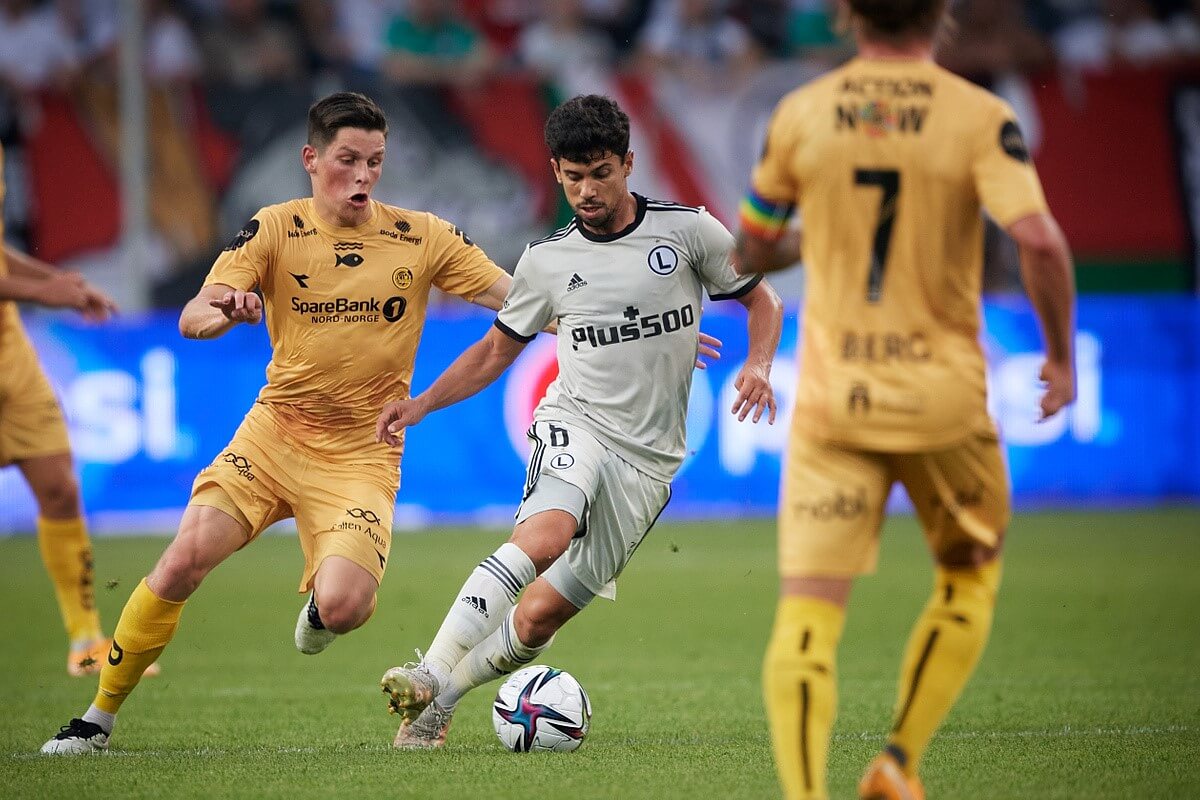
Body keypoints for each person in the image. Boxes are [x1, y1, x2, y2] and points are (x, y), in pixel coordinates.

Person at [40, 91, 515, 755]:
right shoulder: (273, 228)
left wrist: (610, 313)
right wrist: (227, 308)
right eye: (348, 159)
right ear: (311, 158)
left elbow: (517, 298)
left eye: (375, 162)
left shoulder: (423, 235)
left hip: (360, 453)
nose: (362, 176)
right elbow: (192, 315)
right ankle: (96, 720)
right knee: (181, 562)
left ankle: (324, 608)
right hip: (274, 435)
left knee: (347, 607)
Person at [735, 2, 1077, 799]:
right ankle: (896, 762)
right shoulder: (980, 117)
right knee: (968, 575)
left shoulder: (801, 114)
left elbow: (753, 247)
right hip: (943, 403)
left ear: (847, 14)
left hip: (835, 403)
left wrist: (814, 238)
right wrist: (1060, 356)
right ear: (943, 14)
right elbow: (1041, 241)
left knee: (808, 617)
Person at [372, 93, 784, 749]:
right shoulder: (546, 260)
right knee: (545, 535)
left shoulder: (689, 232)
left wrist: (758, 363)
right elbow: (493, 352)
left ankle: (439, 702)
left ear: (627, 162)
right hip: (576, 420)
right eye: (571, 175)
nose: (585, 189)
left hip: (648, 463)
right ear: (556, 172)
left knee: (537, 620)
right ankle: (427, 671)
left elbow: (762, 300)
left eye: (599, 172)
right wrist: (421, 405)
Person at [0, 143, 127, 678]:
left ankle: (85, 639)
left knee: (60, 488)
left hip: (11, 355)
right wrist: (43, 292)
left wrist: (54, 280)